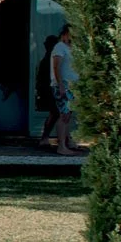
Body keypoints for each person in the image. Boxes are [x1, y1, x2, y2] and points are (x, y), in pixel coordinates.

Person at [42, 24, 78, 153]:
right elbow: (56, 67)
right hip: (63, 85)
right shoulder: (59, 47)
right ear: (65, 33)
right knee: (63, 115)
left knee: (67, 115)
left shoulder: (70, 48)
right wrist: (61, 85)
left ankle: (67, 142)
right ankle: (61, 146)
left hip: (71, 85)